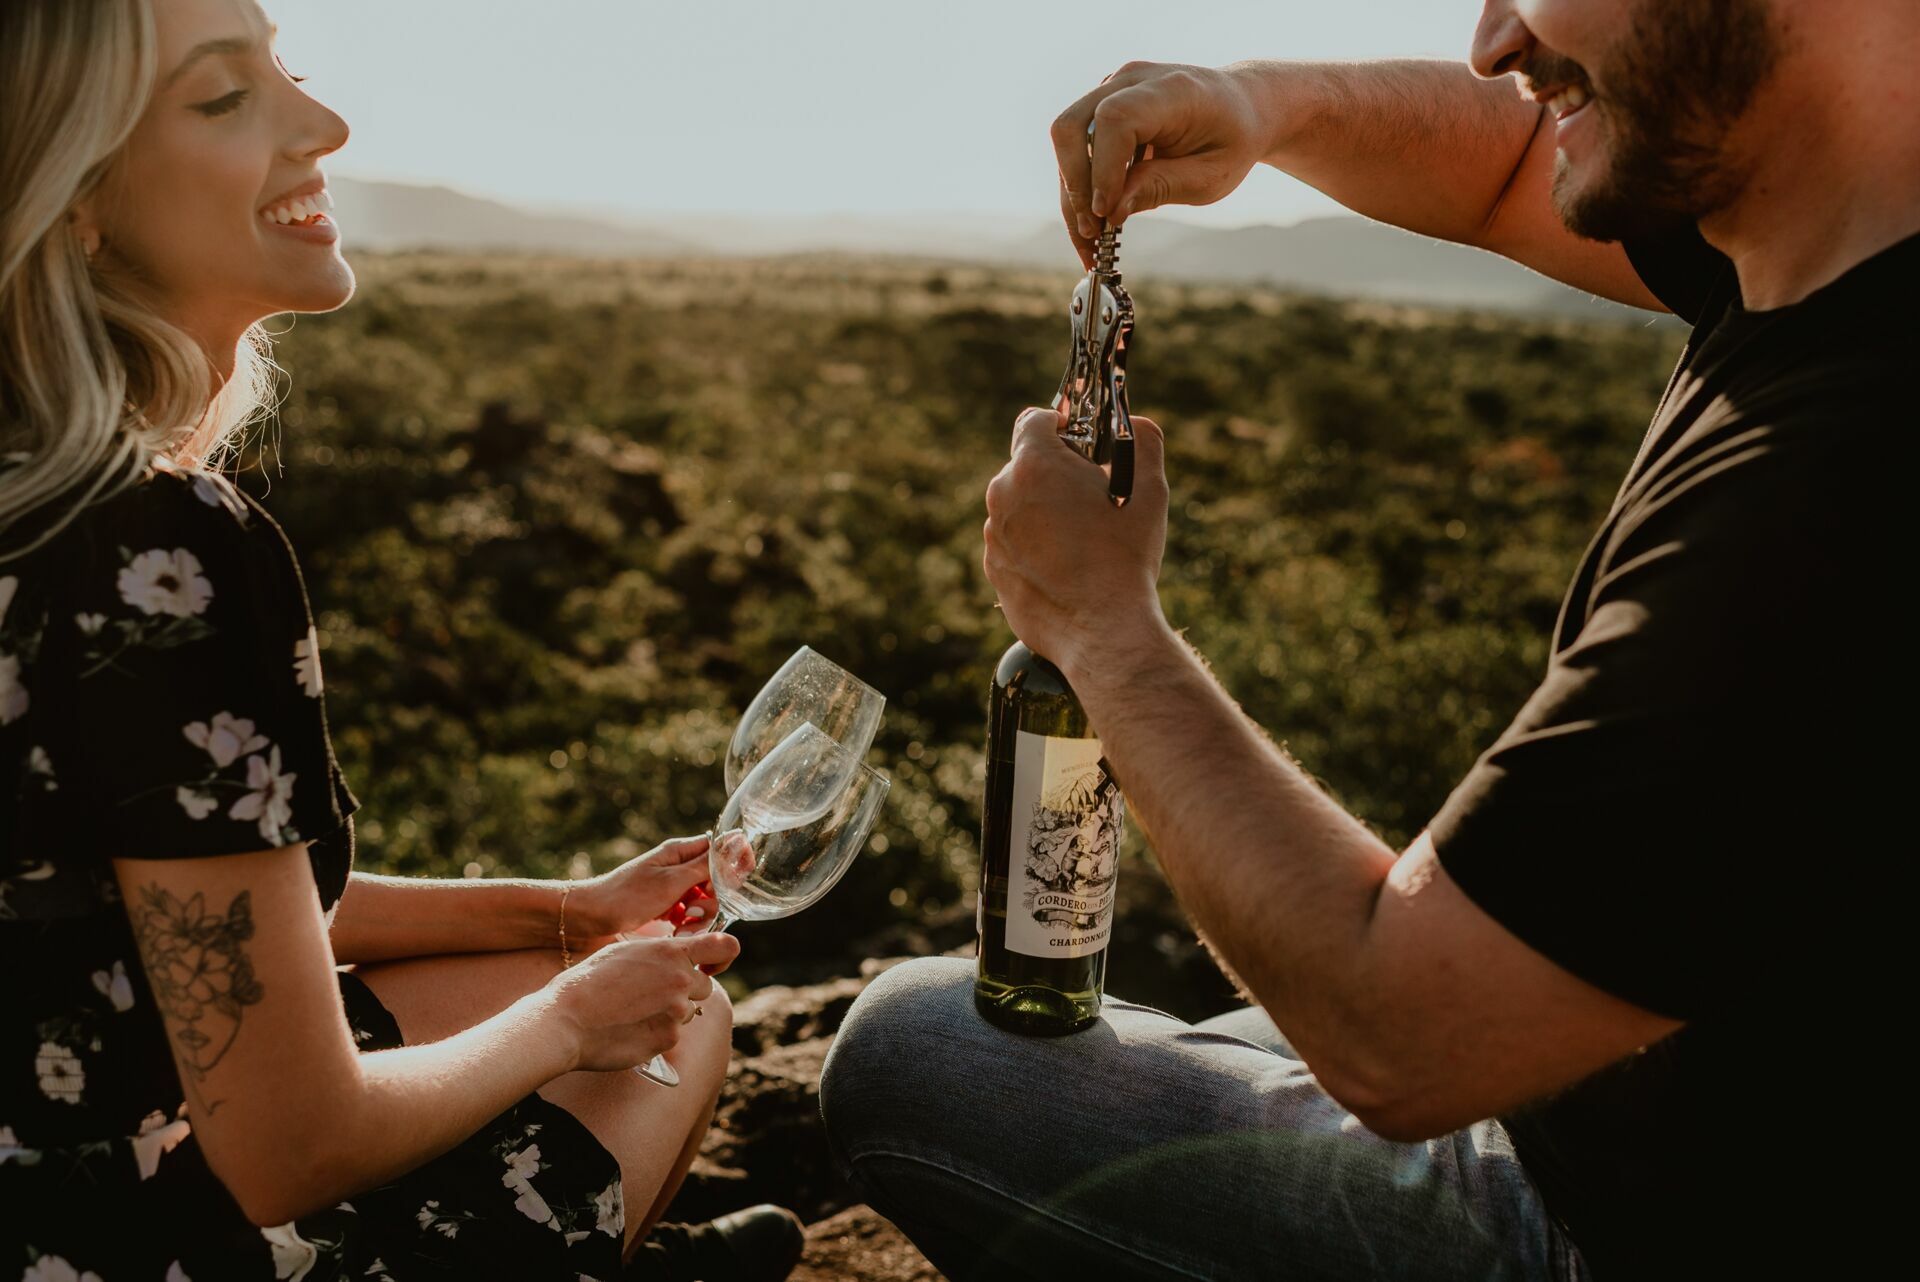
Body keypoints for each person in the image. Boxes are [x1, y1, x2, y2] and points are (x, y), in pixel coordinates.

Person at [822, 0, 1914, 1276]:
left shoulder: (1846, 484)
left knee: (915, 1047)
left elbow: (1406, 1039)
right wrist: (1260, 106)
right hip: (1616, 1087)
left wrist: (1099, 622)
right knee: (1229, 1006)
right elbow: (1514, 163)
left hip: (1629, 1227)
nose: (1494, 40)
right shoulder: (1818, 232)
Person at [0, 2, 805, 1278]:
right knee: (675, 1024)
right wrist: (567, 1017)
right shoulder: (160, 549)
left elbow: (182, 900)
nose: (323, 124)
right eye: (224, 99)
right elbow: (290, 1147)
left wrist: (565, 912)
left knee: (556, 967)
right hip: (103, 1234)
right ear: (71, 191)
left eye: (289, 74)